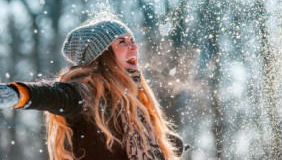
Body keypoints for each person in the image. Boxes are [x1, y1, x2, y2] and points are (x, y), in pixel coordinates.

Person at [0, 17, 188, 160]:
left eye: (132, 40)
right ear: (102, 54)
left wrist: (167, 143)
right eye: (122, 42)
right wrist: (18, 93)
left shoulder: (133, 101)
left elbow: (135, 138)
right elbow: (53, 94)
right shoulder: (86, 94)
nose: (133, 47)